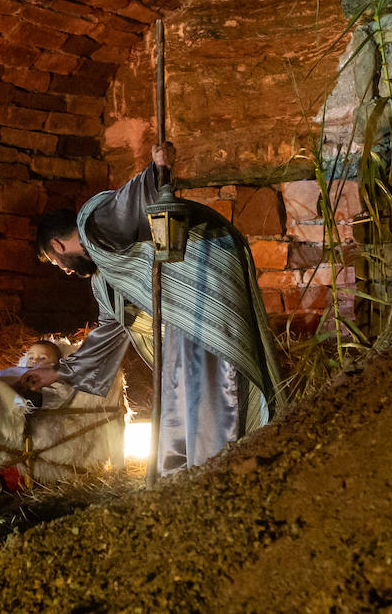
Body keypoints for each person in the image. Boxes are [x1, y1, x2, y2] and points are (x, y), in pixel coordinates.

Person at [23, 143, 284, 475]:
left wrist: (156, 169)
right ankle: (192, 471)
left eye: (56, 262)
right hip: (181, 311)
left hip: (202, 274)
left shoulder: (94, 223)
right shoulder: (104, 277)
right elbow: (110, 331)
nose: (65, 269)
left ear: (58, 246)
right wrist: (57, 373)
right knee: (179, 381)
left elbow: (125, 204)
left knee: (208, 376)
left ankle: (217, 467)